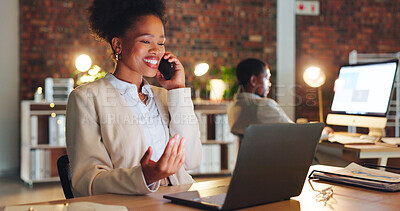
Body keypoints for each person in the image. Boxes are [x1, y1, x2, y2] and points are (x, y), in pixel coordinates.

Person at [66, 0, 201, 197]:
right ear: (118, 45)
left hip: (179, 199)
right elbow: (87, 182)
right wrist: (145, 177)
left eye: (161, 43)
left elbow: (191, 160)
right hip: (130, 205)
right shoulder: (86, 98)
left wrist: (178, 90)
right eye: (146, 41)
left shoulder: (165, 96)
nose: (156, 50)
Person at [227, 58, 333, 137]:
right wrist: (323, 132)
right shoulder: (262, 106)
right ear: (253, 80)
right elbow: (297, 133)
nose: (269, 84)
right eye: (266, 78)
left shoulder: (233, 107)